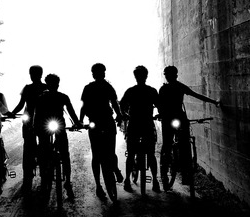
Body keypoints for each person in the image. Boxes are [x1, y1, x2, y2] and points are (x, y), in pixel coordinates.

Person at [158, 65, 221, 189]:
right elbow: (160, 104)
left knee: (182, 143)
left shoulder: (174, 87)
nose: (168, 76)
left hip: (176, 118)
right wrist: (161, 113)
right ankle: (165, 172)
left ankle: (185, 170)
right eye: (167, 74)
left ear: (173, 75)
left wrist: (213, 102)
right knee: (168, 144)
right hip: (171, 118)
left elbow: (195, 95)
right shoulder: (167, 88)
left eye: (169, 74)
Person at [79, 63, 125, 200]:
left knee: (96, 156)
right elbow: (115, 104)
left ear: (93, 74)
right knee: (110, 152)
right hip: (107, 121)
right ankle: (115, 170)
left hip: (95, 123)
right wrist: (119, 116)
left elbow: (84, 106)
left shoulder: (88, 88)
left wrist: (81, 121)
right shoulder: (108, 87)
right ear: (103, 73)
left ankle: (99, 186)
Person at [32, 74, 81, 201]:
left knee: (64, 153)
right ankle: (44, 179)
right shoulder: (41, 98)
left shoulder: (63, 97)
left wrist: (77, 122)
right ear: (47, 84)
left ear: (58, 84)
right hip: (45, 127)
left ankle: (67, 181)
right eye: (51, 83)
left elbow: (71, 112)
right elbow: (36, 116)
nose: (54, 85)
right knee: (43, 152)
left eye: (55, 83)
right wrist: (34, 126)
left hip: (59, 126)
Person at [120, 65, 161, 192]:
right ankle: (155, 181)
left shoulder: (130, 91)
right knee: (151, 154)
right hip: (148, 125)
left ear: (135, 77)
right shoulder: (152, 91)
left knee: (131, 154)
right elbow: (159, 105)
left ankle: (127, 180)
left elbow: (122, 105)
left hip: (134, 125)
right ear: (146, 76)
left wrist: (125, 115)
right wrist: (159, 114)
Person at [7, 65, 47, 190]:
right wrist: (12, 112)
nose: (33, 75)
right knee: (41, 146)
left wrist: (13, 113)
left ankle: (28, 178)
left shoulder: (28, 88)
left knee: (29, 148)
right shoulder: (45, 88)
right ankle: (42, 177)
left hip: (31, 120)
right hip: (41, 121)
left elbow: (21, 104)